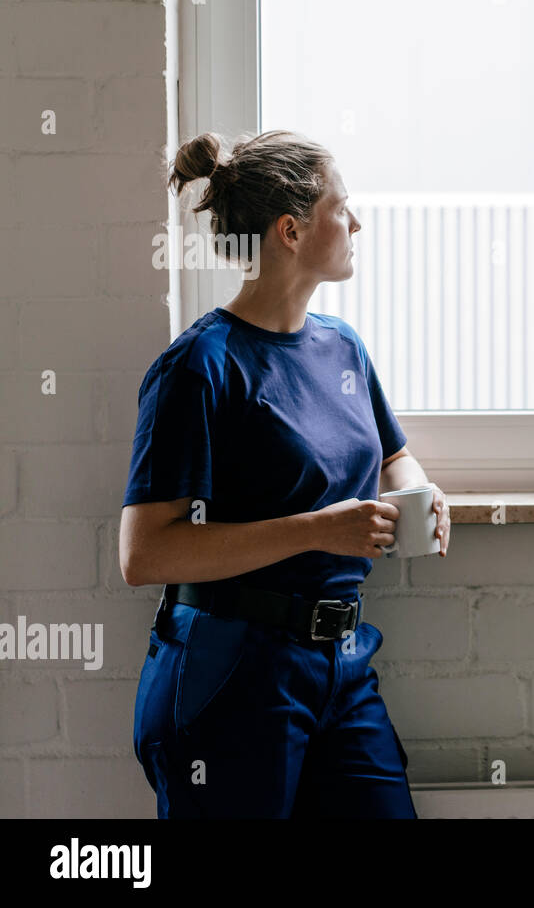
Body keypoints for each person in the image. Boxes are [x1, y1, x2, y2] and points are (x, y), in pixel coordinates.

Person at [119, 129, 451, 817]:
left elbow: (392, 457)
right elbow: (145, 553)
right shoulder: (200, 367)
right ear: (292, 230)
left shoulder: (343, 348)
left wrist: (423, 492)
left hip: (343, 668)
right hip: (232, 672)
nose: (356, 222)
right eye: (342, 206)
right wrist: (318, 530)